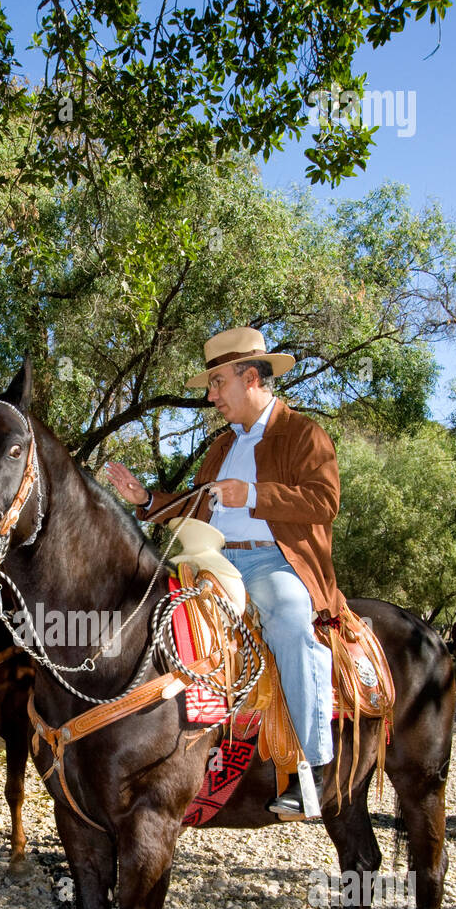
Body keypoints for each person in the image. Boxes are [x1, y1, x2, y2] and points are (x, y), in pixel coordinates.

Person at [106, 326, 344, 818]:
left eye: (218, 383)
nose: (212, 396)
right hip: (208, 556)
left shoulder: (304, 434)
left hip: (272, 559)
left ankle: (317, 770)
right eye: (211, 386)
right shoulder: (222, 446)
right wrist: (147, 499)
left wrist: (252, 496)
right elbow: (196, 504)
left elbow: (325, 502)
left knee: (289, 621)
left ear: (252, 377)